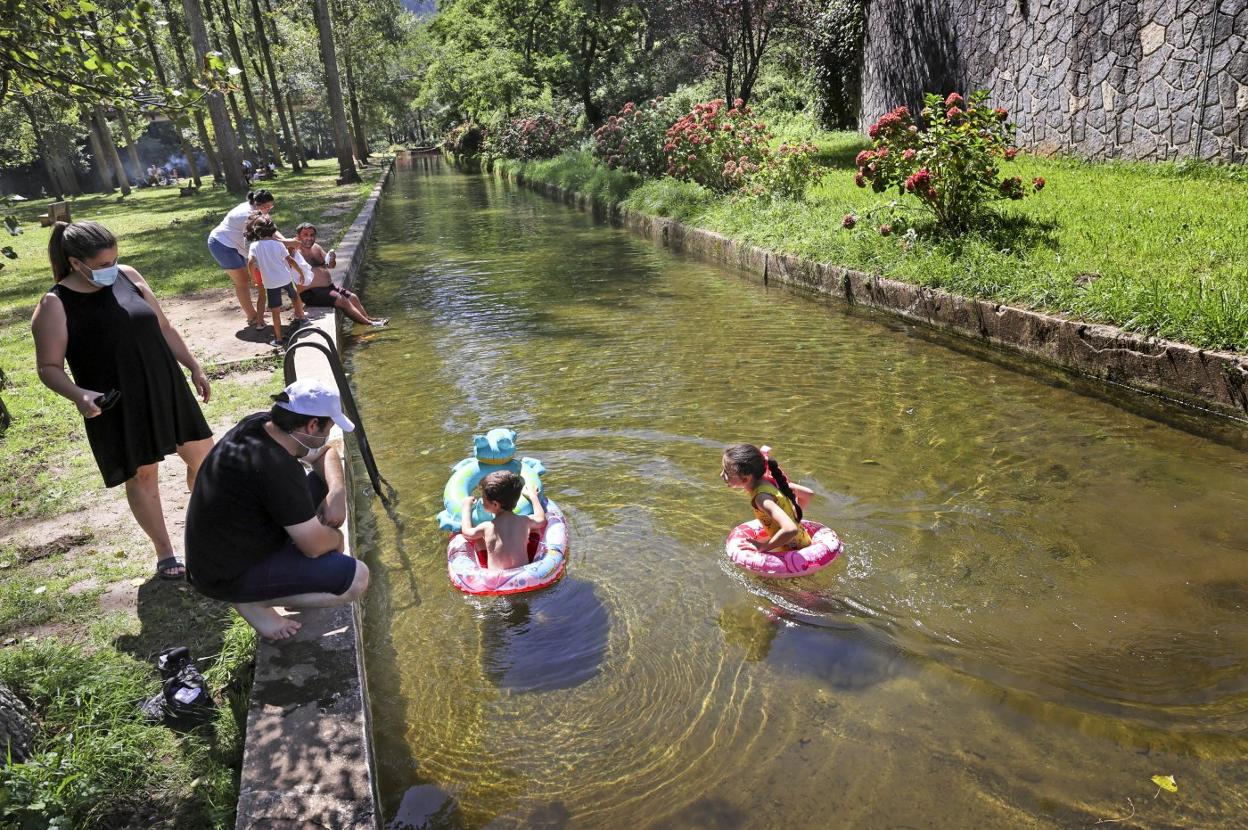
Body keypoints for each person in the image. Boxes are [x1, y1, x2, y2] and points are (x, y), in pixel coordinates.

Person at [31, 221, 214, 580]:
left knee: (206, 458)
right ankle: (165, 552)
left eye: (114, 259)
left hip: (165, 386)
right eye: (101, 265)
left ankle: (206, 525)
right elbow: (48, 367)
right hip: (116, 401)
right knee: (143, 474)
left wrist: (193, 366)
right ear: (75, 262)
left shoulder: (128, 275)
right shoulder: (54, 304)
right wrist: (79, 394)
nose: (110, 269)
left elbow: (163, 327)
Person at [184, 379, 370, 640]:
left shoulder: (260, 425)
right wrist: (337, 539)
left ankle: (285, 586)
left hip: (224, 548)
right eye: (328, 427)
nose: (327, 435)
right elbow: (314, 546)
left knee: (321, 481)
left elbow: (324, 454)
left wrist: (336, 493)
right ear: (312, 425)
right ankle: (252, 602)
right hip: (225, 574)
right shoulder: (276, 467)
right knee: (356, 578)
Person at [720, 443, 814, 553]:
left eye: (727, 472)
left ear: (745, 479)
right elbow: (808, 494)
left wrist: (763, 547)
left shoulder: (761, 498)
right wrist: (792, 515)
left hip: (792, 552)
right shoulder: (773, 481)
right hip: (803, 540)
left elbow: (790, 529)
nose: (721, 474)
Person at [293, 222, 387, 327]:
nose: (309, 238)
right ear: (298, 236)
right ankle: (370, 324)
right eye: (305, 235)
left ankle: (367, 318)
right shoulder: (295, 252)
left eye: (312, 235)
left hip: (328, 287)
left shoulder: (317, 248)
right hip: (310, 292)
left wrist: (332, 258)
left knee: (353, 297)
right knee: (341, 299)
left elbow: (331, 266)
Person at [207, 189, 276, 328]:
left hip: (236, 244)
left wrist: (285, 241)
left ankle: (256, 312)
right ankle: (252, 316)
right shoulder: (247, 215)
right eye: (265, 207)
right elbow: (254, 242)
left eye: (270, 206)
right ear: (256, 204)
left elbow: (270, 230)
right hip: (222, 244)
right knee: (243, 280)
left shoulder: (257, 211)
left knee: (250, 277)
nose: (268, 209)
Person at [245, 212, 309, 347]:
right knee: (295, 296)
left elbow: (250, 262)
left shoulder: (254, 246)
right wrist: (300, 272)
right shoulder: (278, 244)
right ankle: (302, 318)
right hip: (285, 278)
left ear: (257, 231)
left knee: (275, 311)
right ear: (273, 229)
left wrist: (253, 278)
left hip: (270, 283)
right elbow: (290, 260)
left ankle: (279, 339)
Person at [460, 471, 545, 571]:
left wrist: (466, 507)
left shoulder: (487, 526)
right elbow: (541, 520)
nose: (481, 501)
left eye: (483, 498)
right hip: (523, 573)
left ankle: (483, 566)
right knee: (535, 530)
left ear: (495, 504)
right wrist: (533, 497)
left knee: (478, 539)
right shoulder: (524, 520)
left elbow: (467, 533)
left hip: (497, 579)